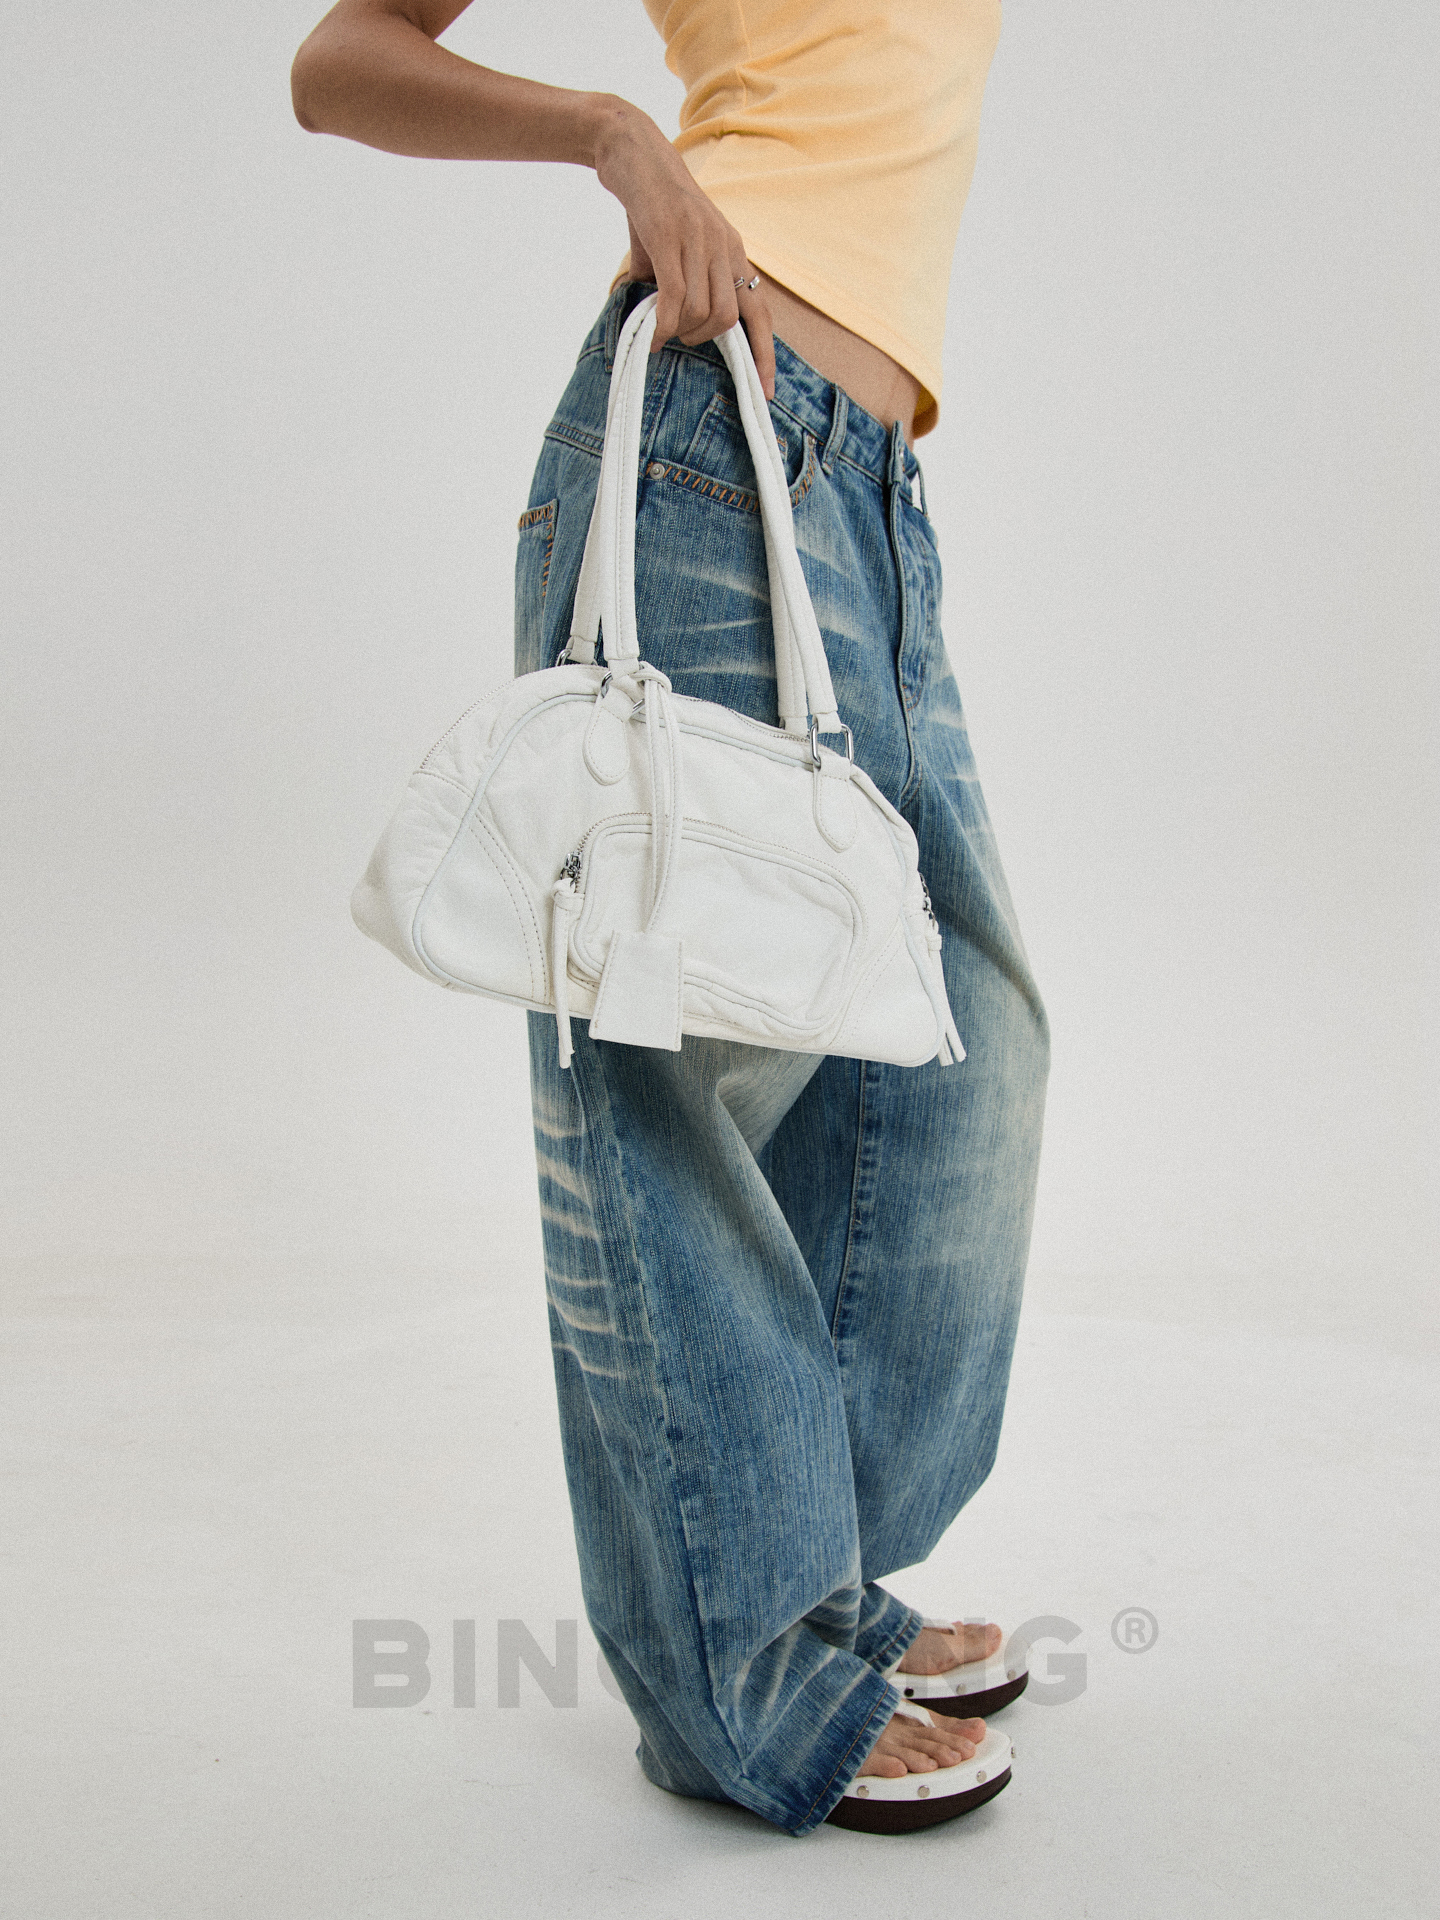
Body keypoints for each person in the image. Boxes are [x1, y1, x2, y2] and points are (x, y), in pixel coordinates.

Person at [292, 0, 1049, 1837]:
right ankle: (743, 1676)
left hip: (869, 482)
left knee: (952, 1044)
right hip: (714, 425)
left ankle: (812, 1580)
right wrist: (615, 136)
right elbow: (338, 60)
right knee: (671, 1067)